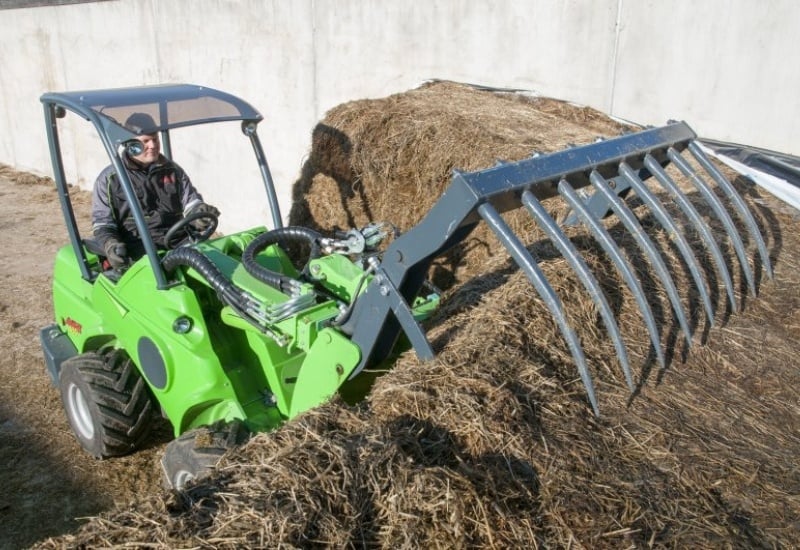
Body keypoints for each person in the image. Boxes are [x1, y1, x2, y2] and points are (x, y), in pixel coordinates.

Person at [91, 112, 219, 270]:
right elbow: (103, 223)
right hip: (137, 250)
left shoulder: (173, 171)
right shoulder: (109, 179)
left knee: (217, 267)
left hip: (177, 242)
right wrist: (111, 245)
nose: (153, 145)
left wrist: (200, 213)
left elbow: (191, 202)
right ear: (130, 144)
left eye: (155, 139)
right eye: (145, 141)